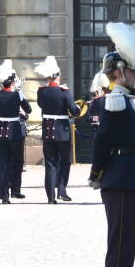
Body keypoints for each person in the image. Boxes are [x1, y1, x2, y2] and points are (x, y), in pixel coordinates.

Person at [87, 22, 135, 267]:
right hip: (119, 177)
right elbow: (103, 140)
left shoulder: (124, 99)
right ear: (120, 71)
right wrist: (96, 172)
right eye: (133, 71)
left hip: (126, 176)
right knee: (120, 246)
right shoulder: (116, 99)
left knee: (126, 247)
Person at [35, 56, 81, 204]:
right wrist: (78, 108)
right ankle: (62, 190)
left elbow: (41, 105)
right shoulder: (64, 91)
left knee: (50, 164)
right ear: (57, 76)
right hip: (63, 132)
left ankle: (50, 197)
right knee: (65, 162)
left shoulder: (41, 91)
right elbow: (74, 111)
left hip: (48, 131)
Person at [0, 59, 31, 203]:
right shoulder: (17, 94)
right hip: (15, 131)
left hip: (0, 130)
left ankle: (4, 195)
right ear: (13, 82)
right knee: (17, 161)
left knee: (2, 164)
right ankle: (15, 189)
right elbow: (28, 109)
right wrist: (19, 94)